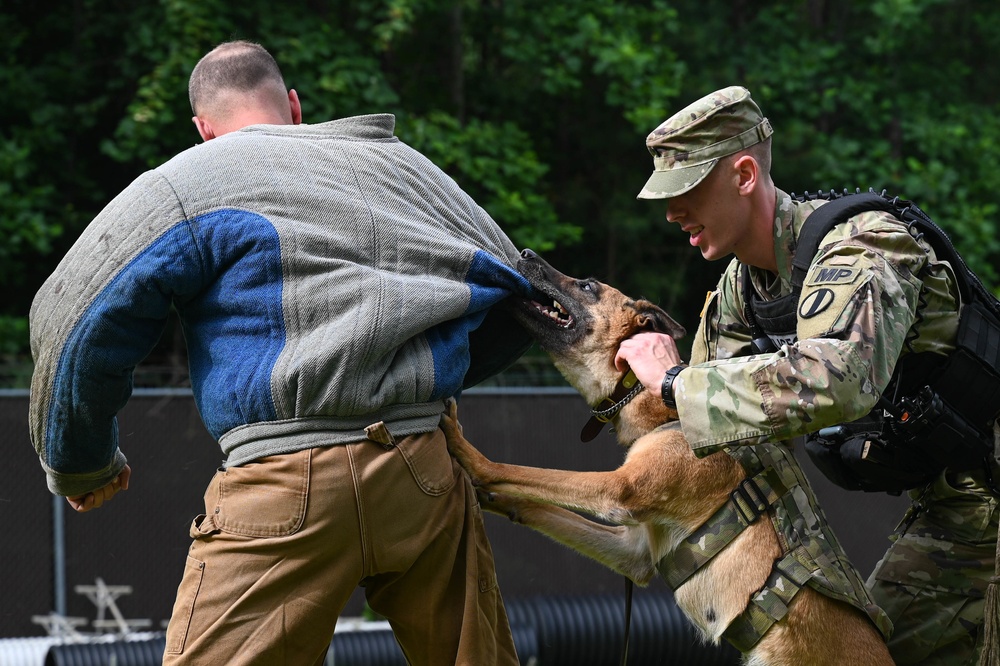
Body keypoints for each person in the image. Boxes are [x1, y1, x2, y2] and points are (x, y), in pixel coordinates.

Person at [28, 40, 532, 665]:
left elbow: (74, 317)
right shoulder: (400, 165)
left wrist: (83, 461)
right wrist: (431, 379)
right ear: (295, 107)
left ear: (202, 129)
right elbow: (528, 293)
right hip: (422, 475)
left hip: (285, 483)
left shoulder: (191, 181)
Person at [615, 85, 999, 664]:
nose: (672, 212)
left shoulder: (862, 245)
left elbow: (840, 378)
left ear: (744, 174)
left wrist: (672, 383)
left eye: (687, 190)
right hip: (954, 504)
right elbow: (699, 427)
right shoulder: (744, 292)